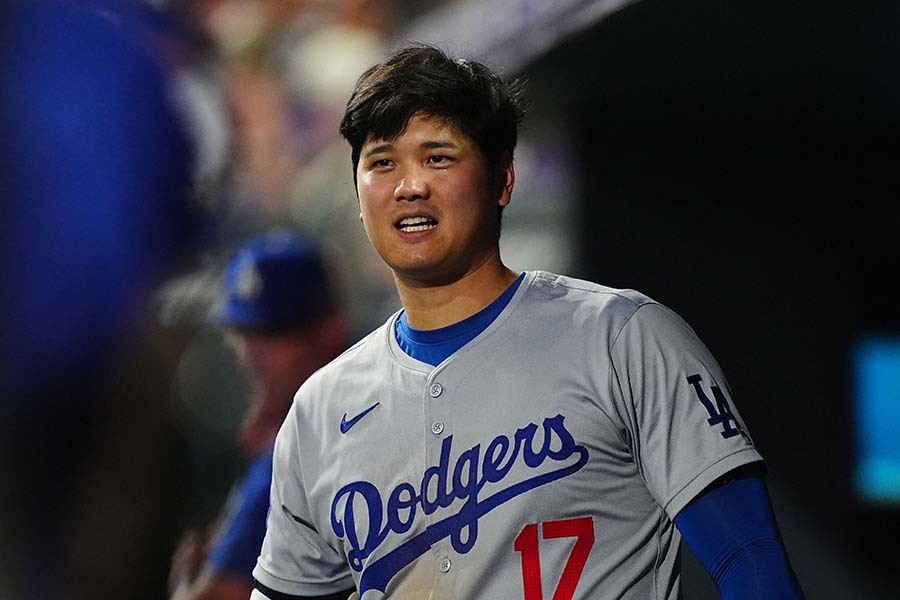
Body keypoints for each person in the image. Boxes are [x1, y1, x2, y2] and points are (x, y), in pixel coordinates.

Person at [249, 45, 805, 599]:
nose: (408, 185)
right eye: (382, 162)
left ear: (502, 181)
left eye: (438, 157)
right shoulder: (320, 409)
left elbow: (751, 562)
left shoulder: (622, 338)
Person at [168, 230, 348, 600]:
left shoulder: (298, 449)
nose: (252, 353)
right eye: (242, 332)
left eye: (273, 331)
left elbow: (218, 596)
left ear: (330, 331)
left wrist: (186, 586)